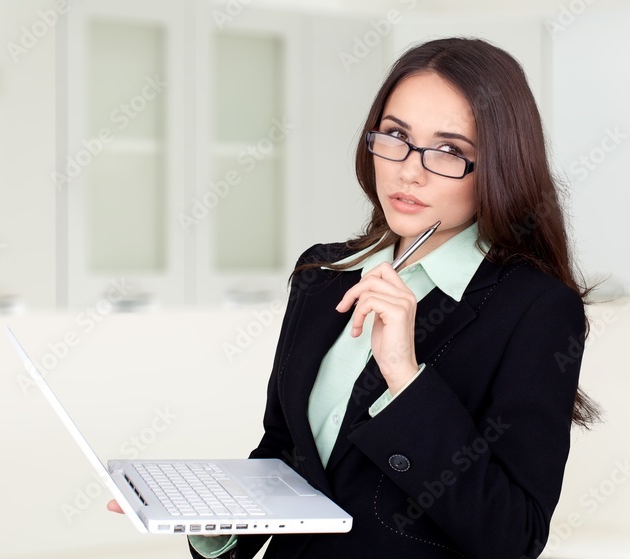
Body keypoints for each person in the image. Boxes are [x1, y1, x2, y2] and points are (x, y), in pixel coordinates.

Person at [110, 36, 599, 558]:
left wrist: (406, 380)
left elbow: (514, 536)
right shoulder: (324, 273)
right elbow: (283, 451)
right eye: (395, 136)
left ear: (500, 167)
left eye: (451, 151)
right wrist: (207, 516)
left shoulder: (535, 309)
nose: (410, 169)